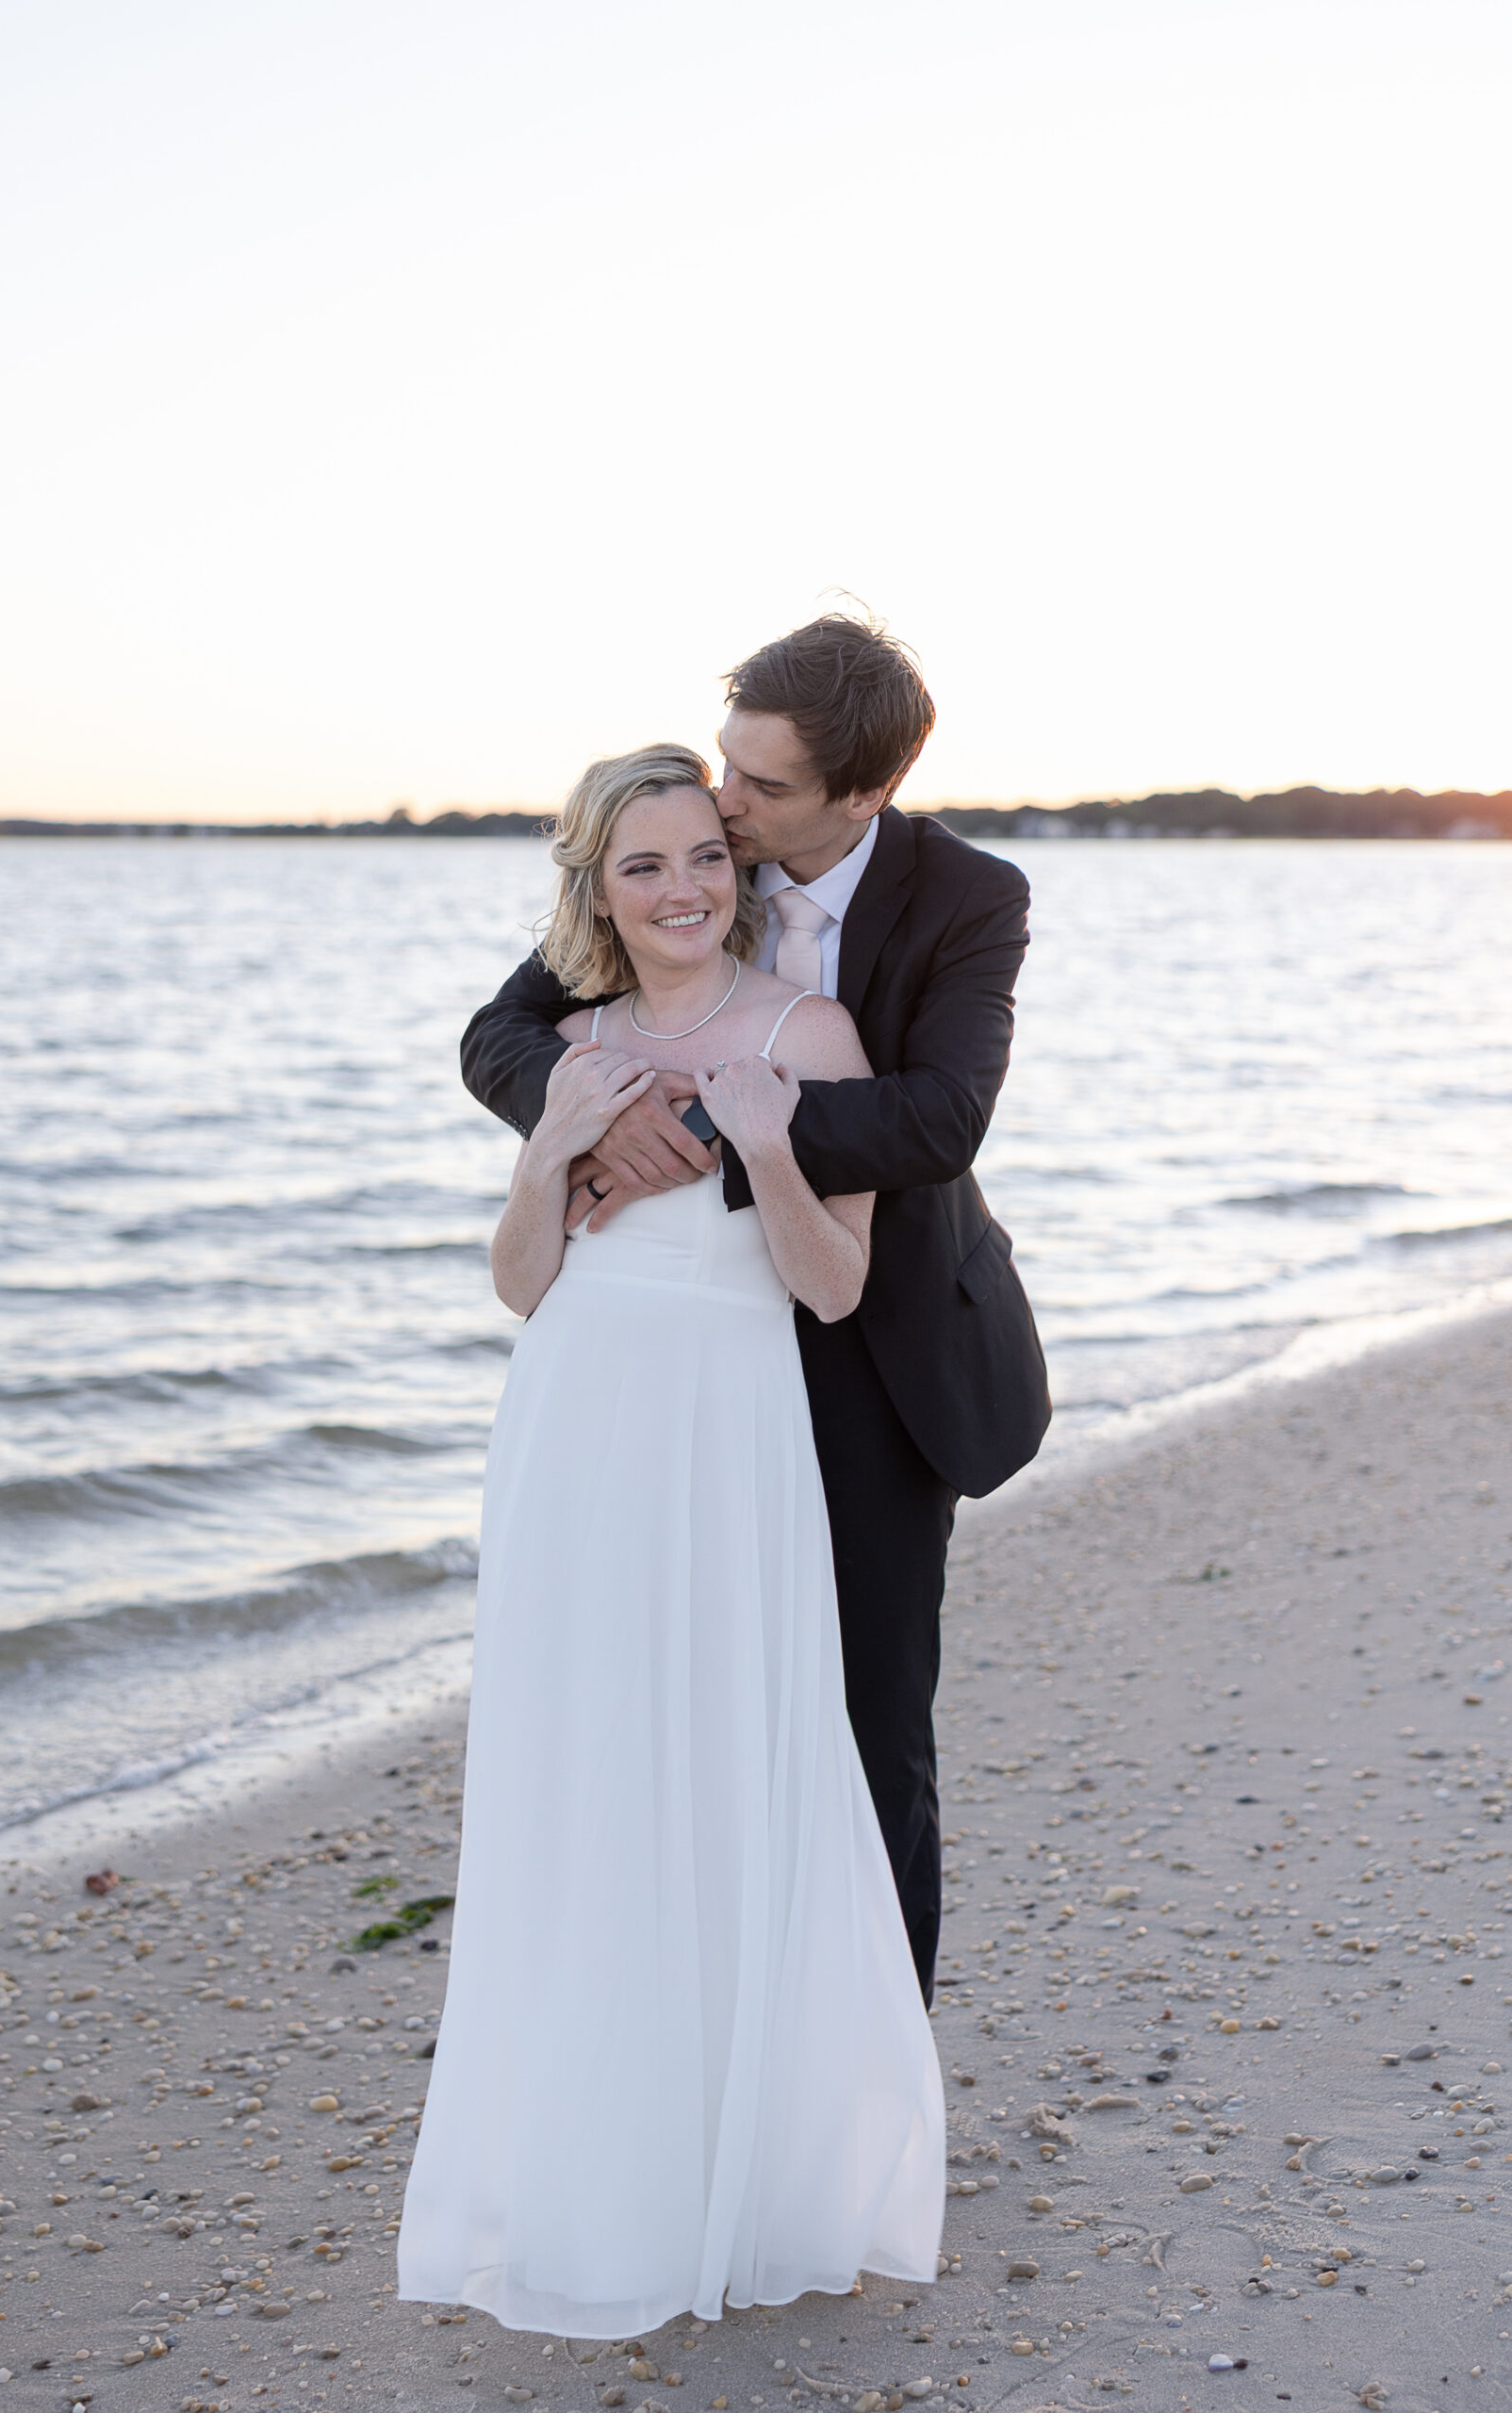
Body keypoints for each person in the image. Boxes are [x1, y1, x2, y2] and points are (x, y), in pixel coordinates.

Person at [398, 745, 944, 2334]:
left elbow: (830, 1288)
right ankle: (597, 2161)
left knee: (727, 1757)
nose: (684, 888)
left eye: (703, 854)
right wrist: (548, 1139)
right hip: (574, 1432)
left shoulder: (811, 1031)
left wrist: (772, 1143)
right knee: (588, 1776)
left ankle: (747, 2160)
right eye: (641, 867)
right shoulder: (564, 1044)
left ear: (739, 863)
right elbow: (519, 1283)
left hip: (731, 1423)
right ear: (596, 887)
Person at [461, 616, 1051, 2001]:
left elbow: (943, 1116)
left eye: (761, 790)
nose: (724, 805)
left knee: (861, 1723)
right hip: (664, 1361)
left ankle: (867, 2074)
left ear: (862, 793)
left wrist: (704, 1142)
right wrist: (580, 1132)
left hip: (876, 1341)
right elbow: (500, 1033)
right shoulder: (684, 863)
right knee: (666, 1705)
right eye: (726, 765)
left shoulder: (967, 896)